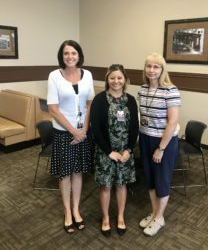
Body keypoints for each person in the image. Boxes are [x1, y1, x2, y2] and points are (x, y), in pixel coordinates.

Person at [47, 40, 95, 234]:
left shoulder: (88, 75)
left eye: (73, 53)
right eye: (66, 53)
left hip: (83, 132)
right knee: (65, 173)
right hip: (63, 132)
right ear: (62, 56)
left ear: (79, 55)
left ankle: (76, 209)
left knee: (78, 172)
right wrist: (73, 131)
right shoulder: (54, 76)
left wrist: (83, 131)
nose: (70, 57)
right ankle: (67, 212)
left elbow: (90, 103)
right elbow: (53, 108)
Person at [90, 64, 139, 237]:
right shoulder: (100, 100)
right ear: (107, 79)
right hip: (106, 153)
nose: (116, 81)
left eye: (119, 78)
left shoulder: (131, 100)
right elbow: (95, 128)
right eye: (112, 78)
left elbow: (134, 127)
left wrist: (129, 150)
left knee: (121, 185)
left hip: (125, 153)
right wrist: (109, 151)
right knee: (106, 186)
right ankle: (105, 218)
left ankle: (120, 217)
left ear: (125, 79)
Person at [138, 53, 181, 237]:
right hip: (145, 138)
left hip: (164, 141)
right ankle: (155, 212)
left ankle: (159, 218)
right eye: (149, 66)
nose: (152, 70)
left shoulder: (170, 90)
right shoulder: (142, 89)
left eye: (156, 67)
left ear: (162, 70)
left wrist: (161, 148)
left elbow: (172, 122)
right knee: (150, 178)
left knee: (162, 180)